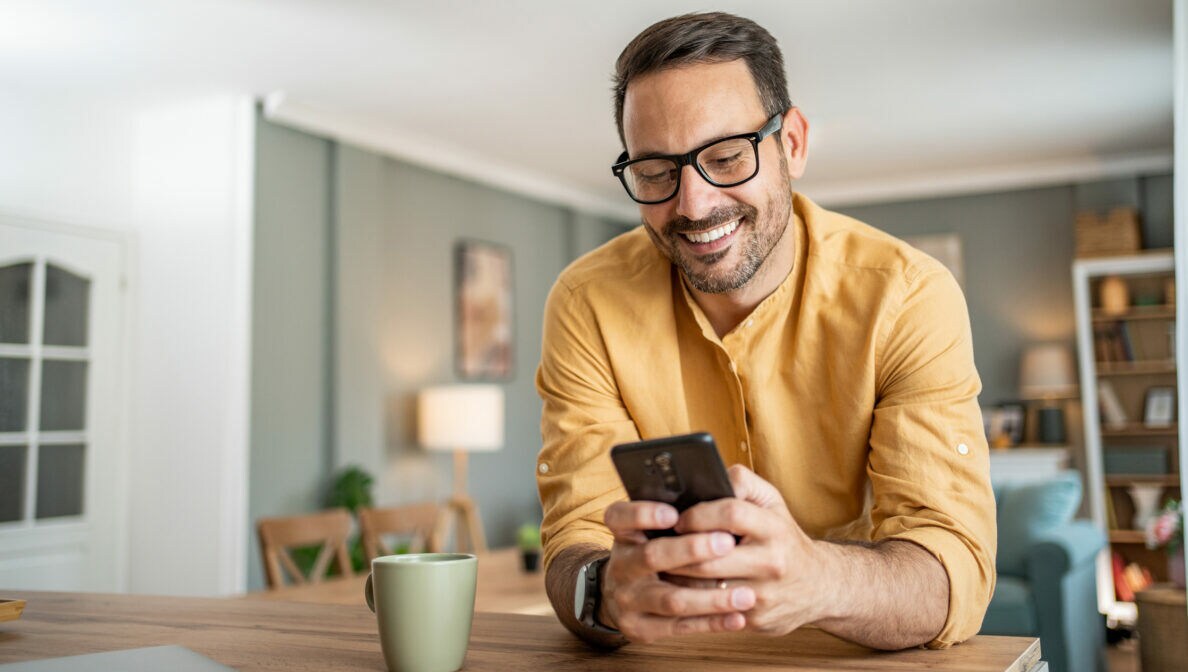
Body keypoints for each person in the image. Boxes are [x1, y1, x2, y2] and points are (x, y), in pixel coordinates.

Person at [535, 12, 995, 651]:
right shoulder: (585, 303)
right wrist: (605, 590)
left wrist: (819, 578)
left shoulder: (909, 297)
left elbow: (955, 572)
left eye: (726, 157)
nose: (692, 205)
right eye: (655, 173)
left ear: (794, 143)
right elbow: (572, 541)